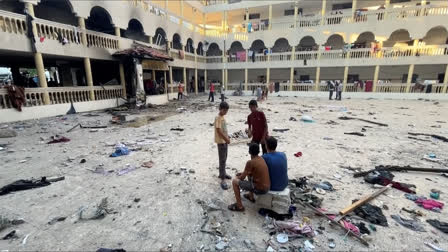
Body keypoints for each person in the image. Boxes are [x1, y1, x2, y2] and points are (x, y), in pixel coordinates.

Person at [228, 143, 270, 212]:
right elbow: (251, 172)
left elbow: (241, 178)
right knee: (249, 174)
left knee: (234, 182)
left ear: (249, 152)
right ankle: (251, 197)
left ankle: (239, 206)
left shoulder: (250, 162)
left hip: (259, 189)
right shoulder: (261, 159)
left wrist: (238, 176)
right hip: (267, 187)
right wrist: (244, 172)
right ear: (258, 152)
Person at [215, 101, 231, 190]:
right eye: (224, 110)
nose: (225, 112)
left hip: (224, 141)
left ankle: (223, 173)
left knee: (224, 158)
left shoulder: (222, 118)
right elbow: (219, 131)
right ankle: (222, 179)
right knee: (222, 160)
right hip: (221, 142)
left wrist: (227, 137)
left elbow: (224, 130)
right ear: (220, 109)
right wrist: (225, 139)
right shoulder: (218, 118)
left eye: (226, 111)